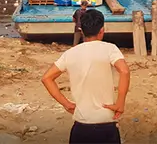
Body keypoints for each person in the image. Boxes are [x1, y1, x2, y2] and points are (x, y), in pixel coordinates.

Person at [42, 8, 130, 144]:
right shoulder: (110, 49)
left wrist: (66, 104)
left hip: (81, 124)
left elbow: (46, 78)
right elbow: (124, 71)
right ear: (102, 30)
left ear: (81, 31)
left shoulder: (70, 53)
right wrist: (120, 103)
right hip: (106, 122)